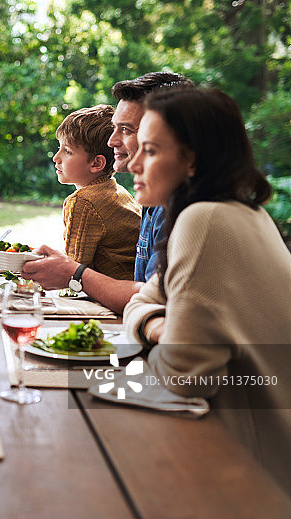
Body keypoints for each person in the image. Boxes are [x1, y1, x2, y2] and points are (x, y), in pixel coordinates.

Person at [123, 88, 291, 491]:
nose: (132, 163)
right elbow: (143, 298)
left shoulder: (204, 222)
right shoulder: (248, 214)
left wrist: (154, 327)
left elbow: (183, 377)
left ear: (192, 160)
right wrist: (160, 325)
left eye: (149, 150)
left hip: (250, 476)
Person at [22, 72, 194, 313]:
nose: (112, 141)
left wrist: (74, 273)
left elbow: (157, 303)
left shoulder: (186, 209)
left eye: (126, 129)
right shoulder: (151, 199)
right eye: (115, 128)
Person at [53, 104, 141, 280]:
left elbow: (72, 271)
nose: (56, 158)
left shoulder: (84, 202)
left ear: (96, 163)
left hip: (113, 297)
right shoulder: (117, 191)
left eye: (67, 151)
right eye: (59, 148)